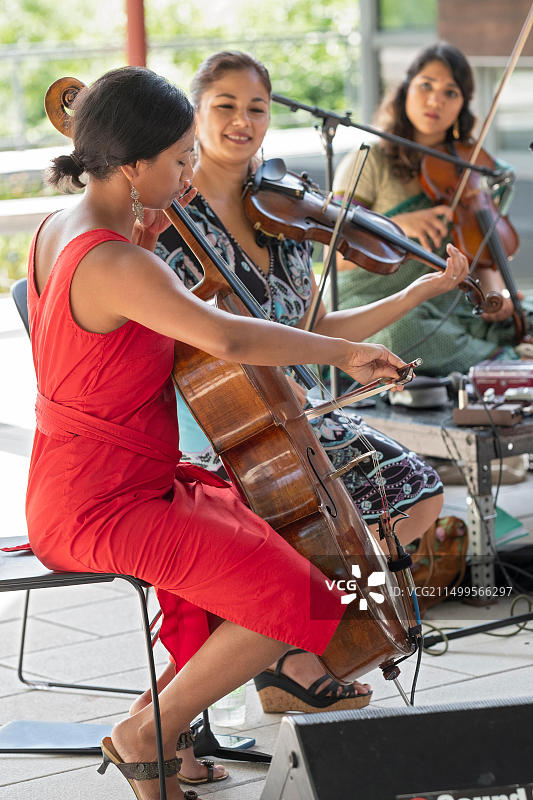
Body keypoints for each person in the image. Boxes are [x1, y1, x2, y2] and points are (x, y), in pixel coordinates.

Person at [27, 66, 411, 800]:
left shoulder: (66, 227)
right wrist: (344, 353)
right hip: (103, 501)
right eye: (178, 160)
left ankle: (155, 727)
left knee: (266, 570)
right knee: (302, 603)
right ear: (132, 165)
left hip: (97, 481)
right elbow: (227, 340)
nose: (190, 172)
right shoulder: (118, 262)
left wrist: (153, 208)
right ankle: (149, 735)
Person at [154, 50, 469, 717]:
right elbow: (182, 335)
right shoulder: (170, 213)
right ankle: (287, 661)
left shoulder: (282, 213)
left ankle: (291, 648)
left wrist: (416, 291)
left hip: (300, 412)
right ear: (195, 113)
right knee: (308, 527)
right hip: (218, 414)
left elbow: (317, 321)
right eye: (225, 106)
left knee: (413, 495)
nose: (243, 121)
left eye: (257, 107)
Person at [332, 41, 528, 377]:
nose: (436, 100)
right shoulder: (369, 159)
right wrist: (400, 226)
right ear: (405, 89)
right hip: (372, 303)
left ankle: (494, 356)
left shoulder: (468, 167)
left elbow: (481, 253)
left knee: (525, 314)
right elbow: (333, 253)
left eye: (450, 92)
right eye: (426, 86)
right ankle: (501, 363)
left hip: (446, 303)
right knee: (403, 332)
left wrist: (496, 296)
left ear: (462, 105)